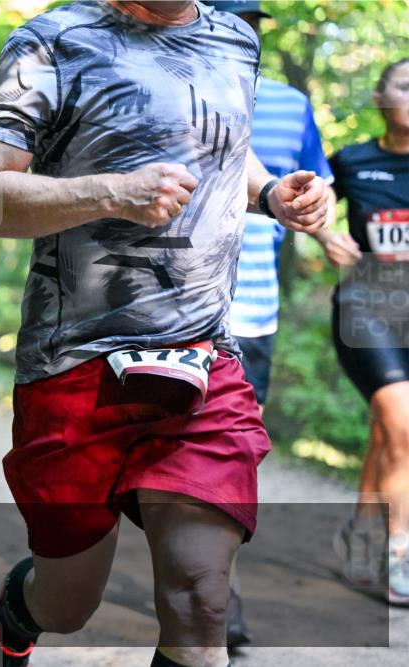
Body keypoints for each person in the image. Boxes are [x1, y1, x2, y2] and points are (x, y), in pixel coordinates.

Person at [0, 2, 330, 666]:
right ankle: (19, 615)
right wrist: (111, 192)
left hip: (201, 358)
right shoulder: (50, 41)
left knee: (201, 596)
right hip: (74, 365)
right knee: (69, 602)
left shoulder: (233, 41)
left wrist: (272, 192)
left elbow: (223, 144)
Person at [205, 0, 337, 647]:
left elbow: (322, 186)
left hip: (252, 308)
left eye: (251, 22)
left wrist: (318, 205)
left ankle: (216, 592)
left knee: (229, 462)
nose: (241, 33)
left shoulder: (289, 103)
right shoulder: (172, 82)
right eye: (229, 20)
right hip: (164, 313)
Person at [316, 57, 409, 606]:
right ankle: (401, 553)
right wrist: (326, 235)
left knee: (389, 432)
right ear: (380, 97)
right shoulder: (352, 161)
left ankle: (360, 534)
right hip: (366, 307)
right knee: (403, 422)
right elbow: (302, 202)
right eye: (405, 85)